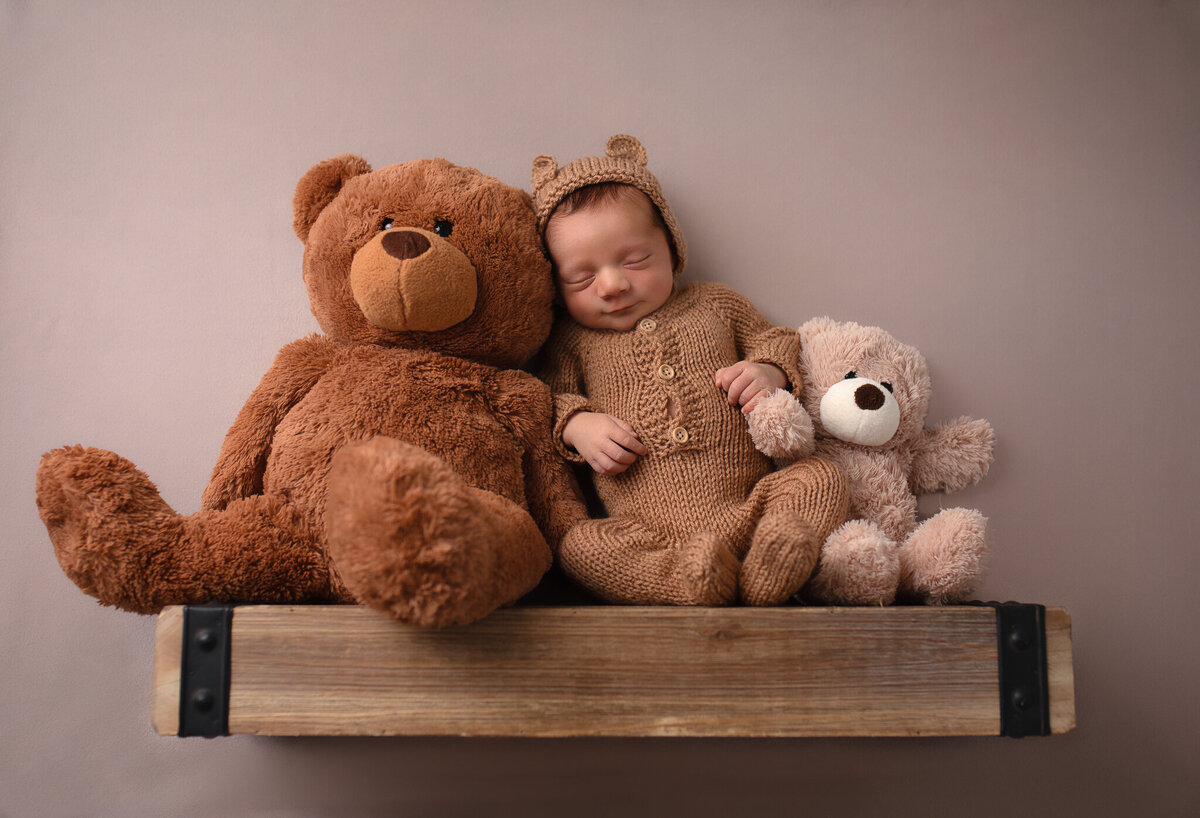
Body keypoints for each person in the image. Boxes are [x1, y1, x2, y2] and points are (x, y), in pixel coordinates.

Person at [532, 135, 848, 606]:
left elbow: (776, 339)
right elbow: (549, 398)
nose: (614, 284)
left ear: (672, 249)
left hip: (749, 508)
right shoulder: (573, 342)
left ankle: (770, 569)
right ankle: (687, 582)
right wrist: (579, 424)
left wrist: (767, 371)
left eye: (635, 260)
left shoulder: (715, 305)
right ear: (557, 286)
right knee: (580, 548)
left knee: (823, 477)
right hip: (647, 537)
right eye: (582, 277)